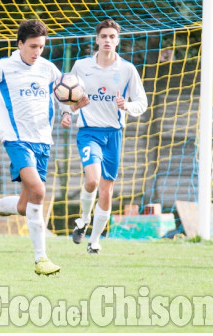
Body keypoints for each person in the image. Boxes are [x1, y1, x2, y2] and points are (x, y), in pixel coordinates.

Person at [0, 20, 88, 276]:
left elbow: (60, 99)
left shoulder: (48, 69)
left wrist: (70, 111)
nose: (37, 52)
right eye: (32, 46)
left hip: (43, 141)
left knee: (24, 206)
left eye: (41, 46)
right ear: (20, 44)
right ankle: (41, 259)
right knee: (39, 192)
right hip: (16, 139)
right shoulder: (3, 68)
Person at [69, 18, 148, 254]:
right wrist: (68, 111)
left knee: (107, 190)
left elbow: (142, 102)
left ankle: (94, 241)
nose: (107, 40)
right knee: (92, 180)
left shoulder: (126, 69)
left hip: (113, 134)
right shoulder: (81, 66)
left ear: (118, 41)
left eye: (112, 37)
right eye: (103, 36)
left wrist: (127, 107)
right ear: (97, 39)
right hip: (88, 132)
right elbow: (65, 94)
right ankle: (83, 220)